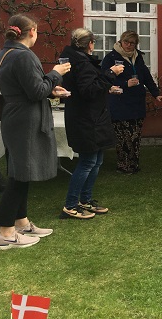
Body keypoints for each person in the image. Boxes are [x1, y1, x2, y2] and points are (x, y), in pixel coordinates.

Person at [0, 14, 71, 250]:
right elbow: (36, 91)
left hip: (15, 116)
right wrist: (55, 73)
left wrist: (51, 89)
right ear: (32, 31)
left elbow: (30, 89)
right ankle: (6, 233)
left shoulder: (7, 52)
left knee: (21, 171)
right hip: (24, 120)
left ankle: (21, 222)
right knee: (18, 176)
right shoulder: (23, 56)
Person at [59, 28, 124, 219]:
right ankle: (71, 205)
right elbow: (88, 91)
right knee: (88, 161)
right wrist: (110, 74)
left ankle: (85, 200)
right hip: (87, 119)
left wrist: (106, 86)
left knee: (96, 161)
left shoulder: (73, 60)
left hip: (89, 117)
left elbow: (86, 88)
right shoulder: (82, 63)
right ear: (90, 44)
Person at [102, 31, 162, 174]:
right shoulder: (111, 58)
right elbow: (105, 79)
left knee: (135, 136)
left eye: (133, 43)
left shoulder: (137, 57)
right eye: (126, 42)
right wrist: (126, 83)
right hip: (119, 103)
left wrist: (156, 94)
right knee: (123, 137)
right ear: (120, 42)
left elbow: (146, 76)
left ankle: (133, 164)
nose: (129, 46)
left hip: (136, 102)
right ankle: (123, 165)